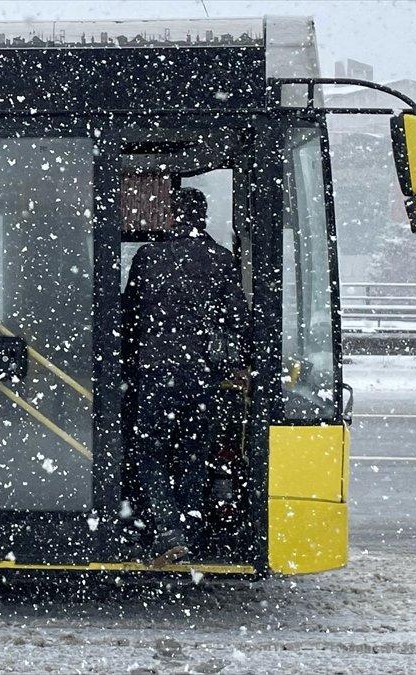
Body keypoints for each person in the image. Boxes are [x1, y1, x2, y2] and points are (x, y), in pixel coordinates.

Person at [122, 187, 249, 565]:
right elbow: (237, 321)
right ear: (203, 217)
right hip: (200, 376)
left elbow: (129, 316)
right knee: (194, 455)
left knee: (149, 452)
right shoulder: (221, 260)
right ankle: (189, 532)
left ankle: (168, 530)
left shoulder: (149, 258)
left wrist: (133, 360)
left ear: (173, 216)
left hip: (155, 372)